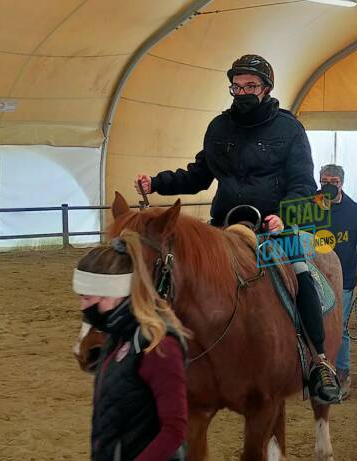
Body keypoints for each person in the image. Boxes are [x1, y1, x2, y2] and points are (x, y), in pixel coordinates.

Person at [135, 54, 341, 403]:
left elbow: (303, 184)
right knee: (179, 275)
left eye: (250, 86)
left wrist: (285, 218)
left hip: (276, 225)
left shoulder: (290, 129)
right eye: (237, 86)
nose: (242, 92)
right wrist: (157, 182)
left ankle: (319, 360)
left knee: (302, 271)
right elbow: (199, 175)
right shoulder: (219, 128)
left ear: (266, 89)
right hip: (225, 227)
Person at [74, 232, 191, 461]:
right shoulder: (115, 339)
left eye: (88, 298)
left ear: (115, 295)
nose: (82, 306)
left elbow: (174, 430)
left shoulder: (160, 348)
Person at [317, 165, 357, 400]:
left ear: (342, 183)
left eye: (333, 181)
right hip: (312, 276)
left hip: (344, 282)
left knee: (338, 329)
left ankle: (342, 373)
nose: (328, 185)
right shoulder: (308, 208)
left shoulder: (356, 212)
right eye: (324, 180)